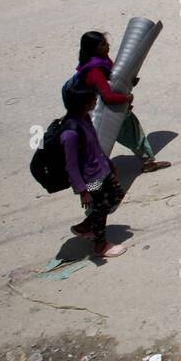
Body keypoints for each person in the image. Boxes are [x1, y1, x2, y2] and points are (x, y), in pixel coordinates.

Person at [73, 31, 171, 174]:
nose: (108, 45)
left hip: (105, 109)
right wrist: (126, 98)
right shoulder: (95, 71)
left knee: (129, 133)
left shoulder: (100, 61)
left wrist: (129, 80)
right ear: (94, 49)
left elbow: (114, 79)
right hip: (107, 112)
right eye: (103, 44)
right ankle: (147, 162)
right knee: (132, 133)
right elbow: (108, 97)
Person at [60, 84, 127, 258]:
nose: (96, 102)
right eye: (93, 99)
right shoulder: (70, 133)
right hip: (91, 179)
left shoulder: (85, 119)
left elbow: (95, 145)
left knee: (117, 194)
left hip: (102, 170)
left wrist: (108, 162)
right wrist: (83, 191)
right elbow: (71, 165)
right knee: (101, 206)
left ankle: (85, 226)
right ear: (84, 104)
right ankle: (100, 245)